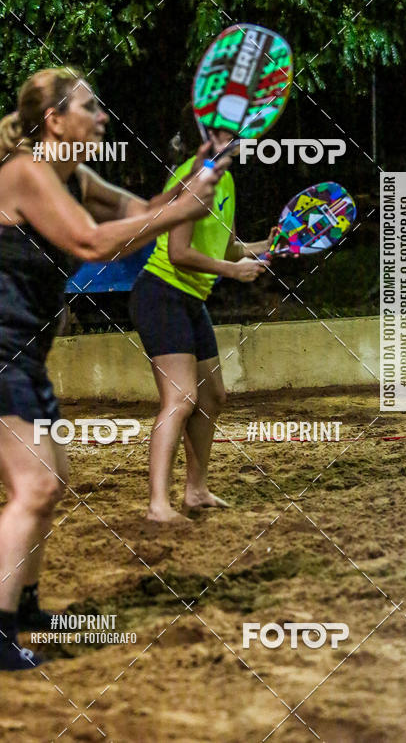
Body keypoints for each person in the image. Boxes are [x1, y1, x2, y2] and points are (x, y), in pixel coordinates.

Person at [0, 67, 227, 671]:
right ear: (54, 121)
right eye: (90, 107)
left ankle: (28, 605)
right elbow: (94, 244)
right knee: (35, 485)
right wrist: (180, 212)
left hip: (18, 350)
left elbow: (142, 211)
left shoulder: (73, 176)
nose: (103, 118)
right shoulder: (25, 172)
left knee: (51, 479)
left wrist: (197, 178)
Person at [129, 129, 274, 523]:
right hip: (161, 293)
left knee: (212, 396)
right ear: (207, 136)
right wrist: (231, 271)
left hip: (190, 299)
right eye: (230, 130)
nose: (242, 136)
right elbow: (178, 253)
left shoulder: (225, 180)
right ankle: (158, 505)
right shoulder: (190, 179)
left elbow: (226, 247)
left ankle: (196, 491)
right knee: (180, 400)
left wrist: (266, 246)